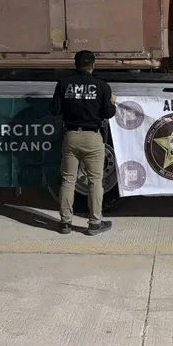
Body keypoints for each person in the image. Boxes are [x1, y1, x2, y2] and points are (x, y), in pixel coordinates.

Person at [52, 50, 116, 235]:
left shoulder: (63, 84)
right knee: (95, 181)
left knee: (68, 180)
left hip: (71, 135)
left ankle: (65, 223)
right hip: (92, 137)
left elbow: (55, 110)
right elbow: (109, 113)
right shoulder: (102, 86)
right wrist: (112, 102)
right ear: (93, 65)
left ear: (75, 64)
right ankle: (95, 223)